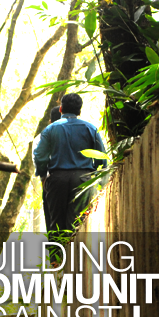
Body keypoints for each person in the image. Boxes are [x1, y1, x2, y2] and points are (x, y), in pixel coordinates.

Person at [34, 93, 107, 240]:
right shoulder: (90, 129)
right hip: (83, 179)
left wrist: (43, 176)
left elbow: (39, 156)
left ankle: (57, 260)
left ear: (60, 109)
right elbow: (102, 158)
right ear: (79, 111)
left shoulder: (50, 130)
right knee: (77, 222)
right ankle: (74, 258)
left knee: (56, 223)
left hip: (57, 179)